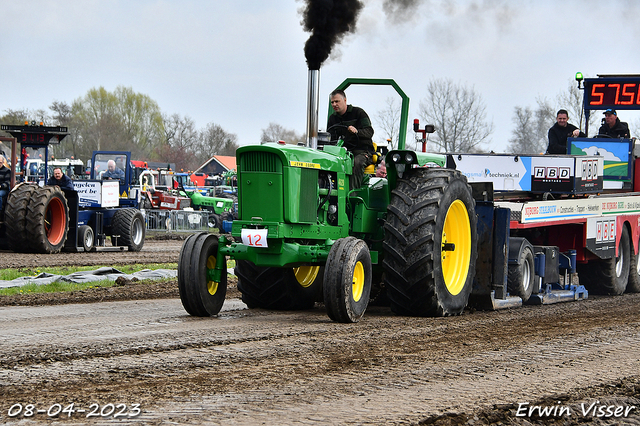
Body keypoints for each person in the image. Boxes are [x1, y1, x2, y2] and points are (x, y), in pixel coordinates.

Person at [326, 89, 375, 189]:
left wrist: (357, 131)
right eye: (332, 102)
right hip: (342, 152)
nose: (334, 104)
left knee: (356, 162)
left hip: (362, 151)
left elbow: (369, 132)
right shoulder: (332, 119)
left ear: (345, 100)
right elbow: (331, 138)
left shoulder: (358, 113)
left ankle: (352, 195)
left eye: (337, 101)